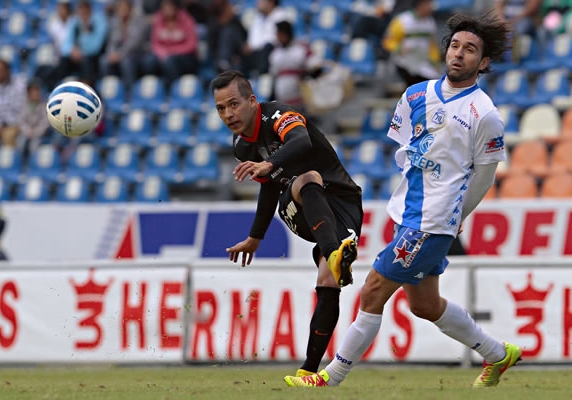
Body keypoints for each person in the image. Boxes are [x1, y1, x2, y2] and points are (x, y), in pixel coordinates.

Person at [285, 12, 521, 389]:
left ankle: (330, 378)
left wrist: (458, 212)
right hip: (408, 214)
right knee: (425, 305)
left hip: (433, 221)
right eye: (455, 46)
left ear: (485, 61)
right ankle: (498, 353)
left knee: (373, 289)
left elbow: (485, 174)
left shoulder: (485, 114)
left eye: (470, 50)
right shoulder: (414, 96)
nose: (459, 54)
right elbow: (408, 153)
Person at [211, 70, 362, 377]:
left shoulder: (279, 115)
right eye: (220, 108)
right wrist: (256, 237)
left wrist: (270, 163)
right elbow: (269, 188)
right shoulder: (242, 146)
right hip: (301, 205)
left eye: (234, 104)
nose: (228, 114)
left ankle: (308, 372)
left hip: (344, 205)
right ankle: (334, 254)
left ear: (253, 101)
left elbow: (302, 140)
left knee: (328, 282)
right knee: (308, 179)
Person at [382, 0, 441, 87]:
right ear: (420, 5)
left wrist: (436, 63)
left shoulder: (430, 22)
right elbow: (387, 41)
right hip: (403, 63)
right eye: (428, 4)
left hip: (422, 62)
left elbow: (432, 46)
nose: (431, 7)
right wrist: (399, 48)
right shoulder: (402, 20)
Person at [268, 20, 322, 109]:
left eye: (280, 34)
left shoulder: (301, 49)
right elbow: (274, 77)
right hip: (282, 102)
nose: (278, 37)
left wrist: (305, 77)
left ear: (287, 34)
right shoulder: (275, 53)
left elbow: (317, 69)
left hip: (302, 102)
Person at [100, 0, 150, 89]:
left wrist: (120, 54)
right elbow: (111, 42)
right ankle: (111, 92)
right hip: (119, 54)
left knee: (126, 62)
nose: (122, 10)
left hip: (137, 54)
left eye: (125, 8)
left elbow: (134, 43)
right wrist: (111, 53)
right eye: (120, 8)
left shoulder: (139, 21)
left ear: (130, 9)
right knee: (104, 61)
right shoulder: (115, 22)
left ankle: (129, 92)